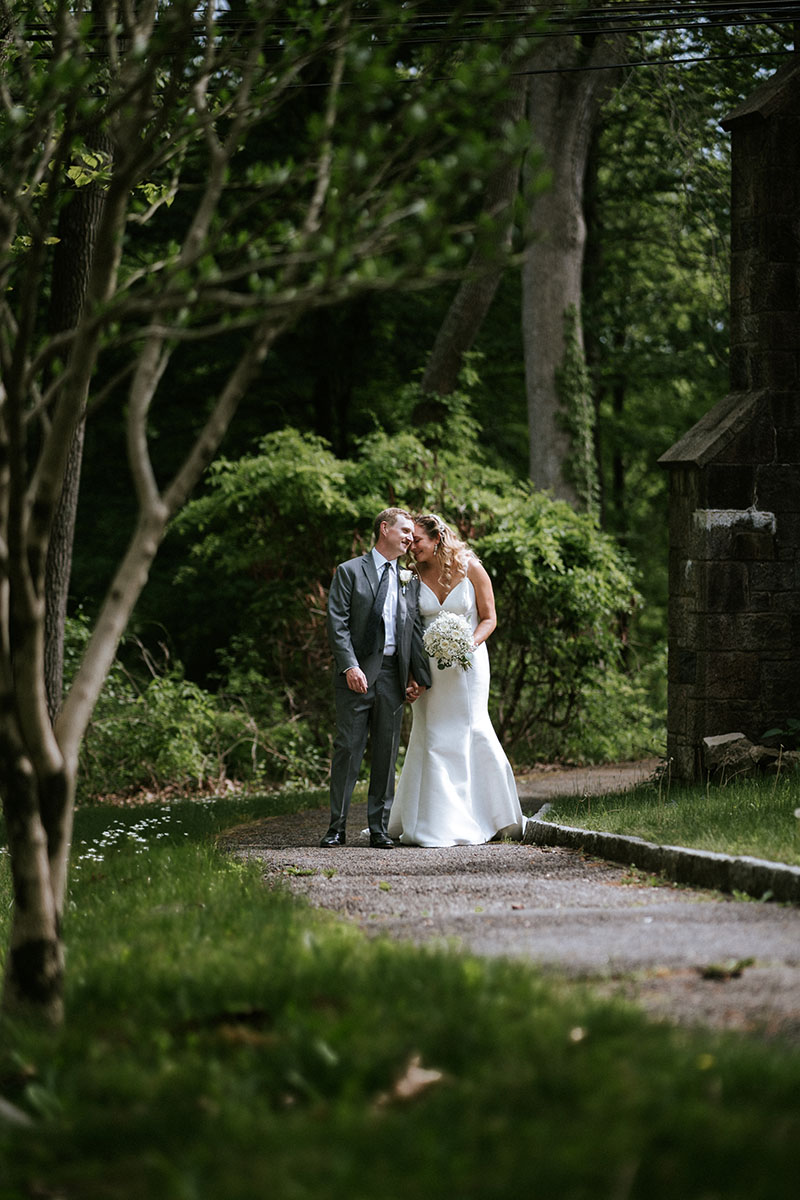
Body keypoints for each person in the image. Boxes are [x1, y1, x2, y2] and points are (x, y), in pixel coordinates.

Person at [388, 513, 528, 847]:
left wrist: (467, 643)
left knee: (470, 729)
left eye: (417, 540)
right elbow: (406, 628)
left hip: (469, 665)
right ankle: (434, 820)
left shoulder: (471, 567)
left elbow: (489, 618)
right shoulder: (411, 576)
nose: (411, 546)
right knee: (432, 735)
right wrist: (411, 672)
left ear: (437, 538)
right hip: (428, 670)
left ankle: (485, 814)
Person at [322, 508, 432, 849]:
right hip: (355, 675)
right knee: (348, 751)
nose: (410, 538)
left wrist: (417, 676)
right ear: (384, 529)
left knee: (386, 755)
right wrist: (349, 666)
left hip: (392, 677)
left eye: (413, 535)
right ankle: (336, 827)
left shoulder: (410, 579)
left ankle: (379, 828)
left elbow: (414, 630)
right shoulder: (350, 571)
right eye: (404, 531)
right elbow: (336, 622)